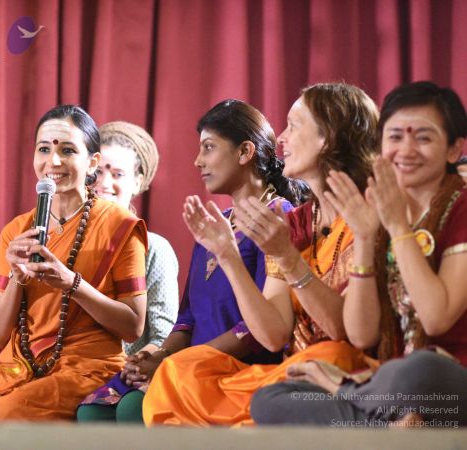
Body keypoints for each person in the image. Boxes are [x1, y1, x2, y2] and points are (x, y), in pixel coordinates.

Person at [142, 83, 380, 426]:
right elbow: (274, 333)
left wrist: (289, 259)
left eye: (293, 126)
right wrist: (228, 256)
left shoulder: (366, 214)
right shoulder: (295, 224)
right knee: (178, 373)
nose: (281, 138)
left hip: (344, 369)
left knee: (326, 357)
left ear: (326, 138)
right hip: (292, 371)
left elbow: (344, 331)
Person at [251, 81, 467, 428]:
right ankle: (394, 429)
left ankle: (363, 403)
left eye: (423, 138)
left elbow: (435, 318)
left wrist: (398, 227)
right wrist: (366, 238)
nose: (406, 149)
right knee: (270, 400)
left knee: (421, 371)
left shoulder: (459, 207)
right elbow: (362, 334)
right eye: (395, 137)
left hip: (445, 381)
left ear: (454, 149)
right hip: (388, 386)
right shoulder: (376, 209)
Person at [101, 99, 307, 423]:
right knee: (96, 408)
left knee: (131, 410)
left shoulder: (277, 217)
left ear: (245, 152)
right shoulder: (217, 223)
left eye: (208, 147)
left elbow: (256, 330)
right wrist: (160, 354)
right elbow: (187, 319)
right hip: (191, 365)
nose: (198, 161)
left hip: (239, 370)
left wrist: (175, 362)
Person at [0, 105, 148, 420]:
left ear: (92, 162)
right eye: (44, 149)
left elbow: (133, 326)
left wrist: (72, 283)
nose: (53, 161)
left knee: (7, 414)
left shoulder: (119, 226)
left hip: (85, 367)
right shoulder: (16, 231)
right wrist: (16, 276)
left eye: (67, 150)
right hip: (17, 364)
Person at [76, 121, 179, 423]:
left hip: (125, 373)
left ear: (138, 182)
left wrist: (135, 365)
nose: (104, 182)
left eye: (118, 174)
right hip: (70, 367)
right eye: (98, 172)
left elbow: (164, 334)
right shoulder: (67, 241)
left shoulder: (154, 248)